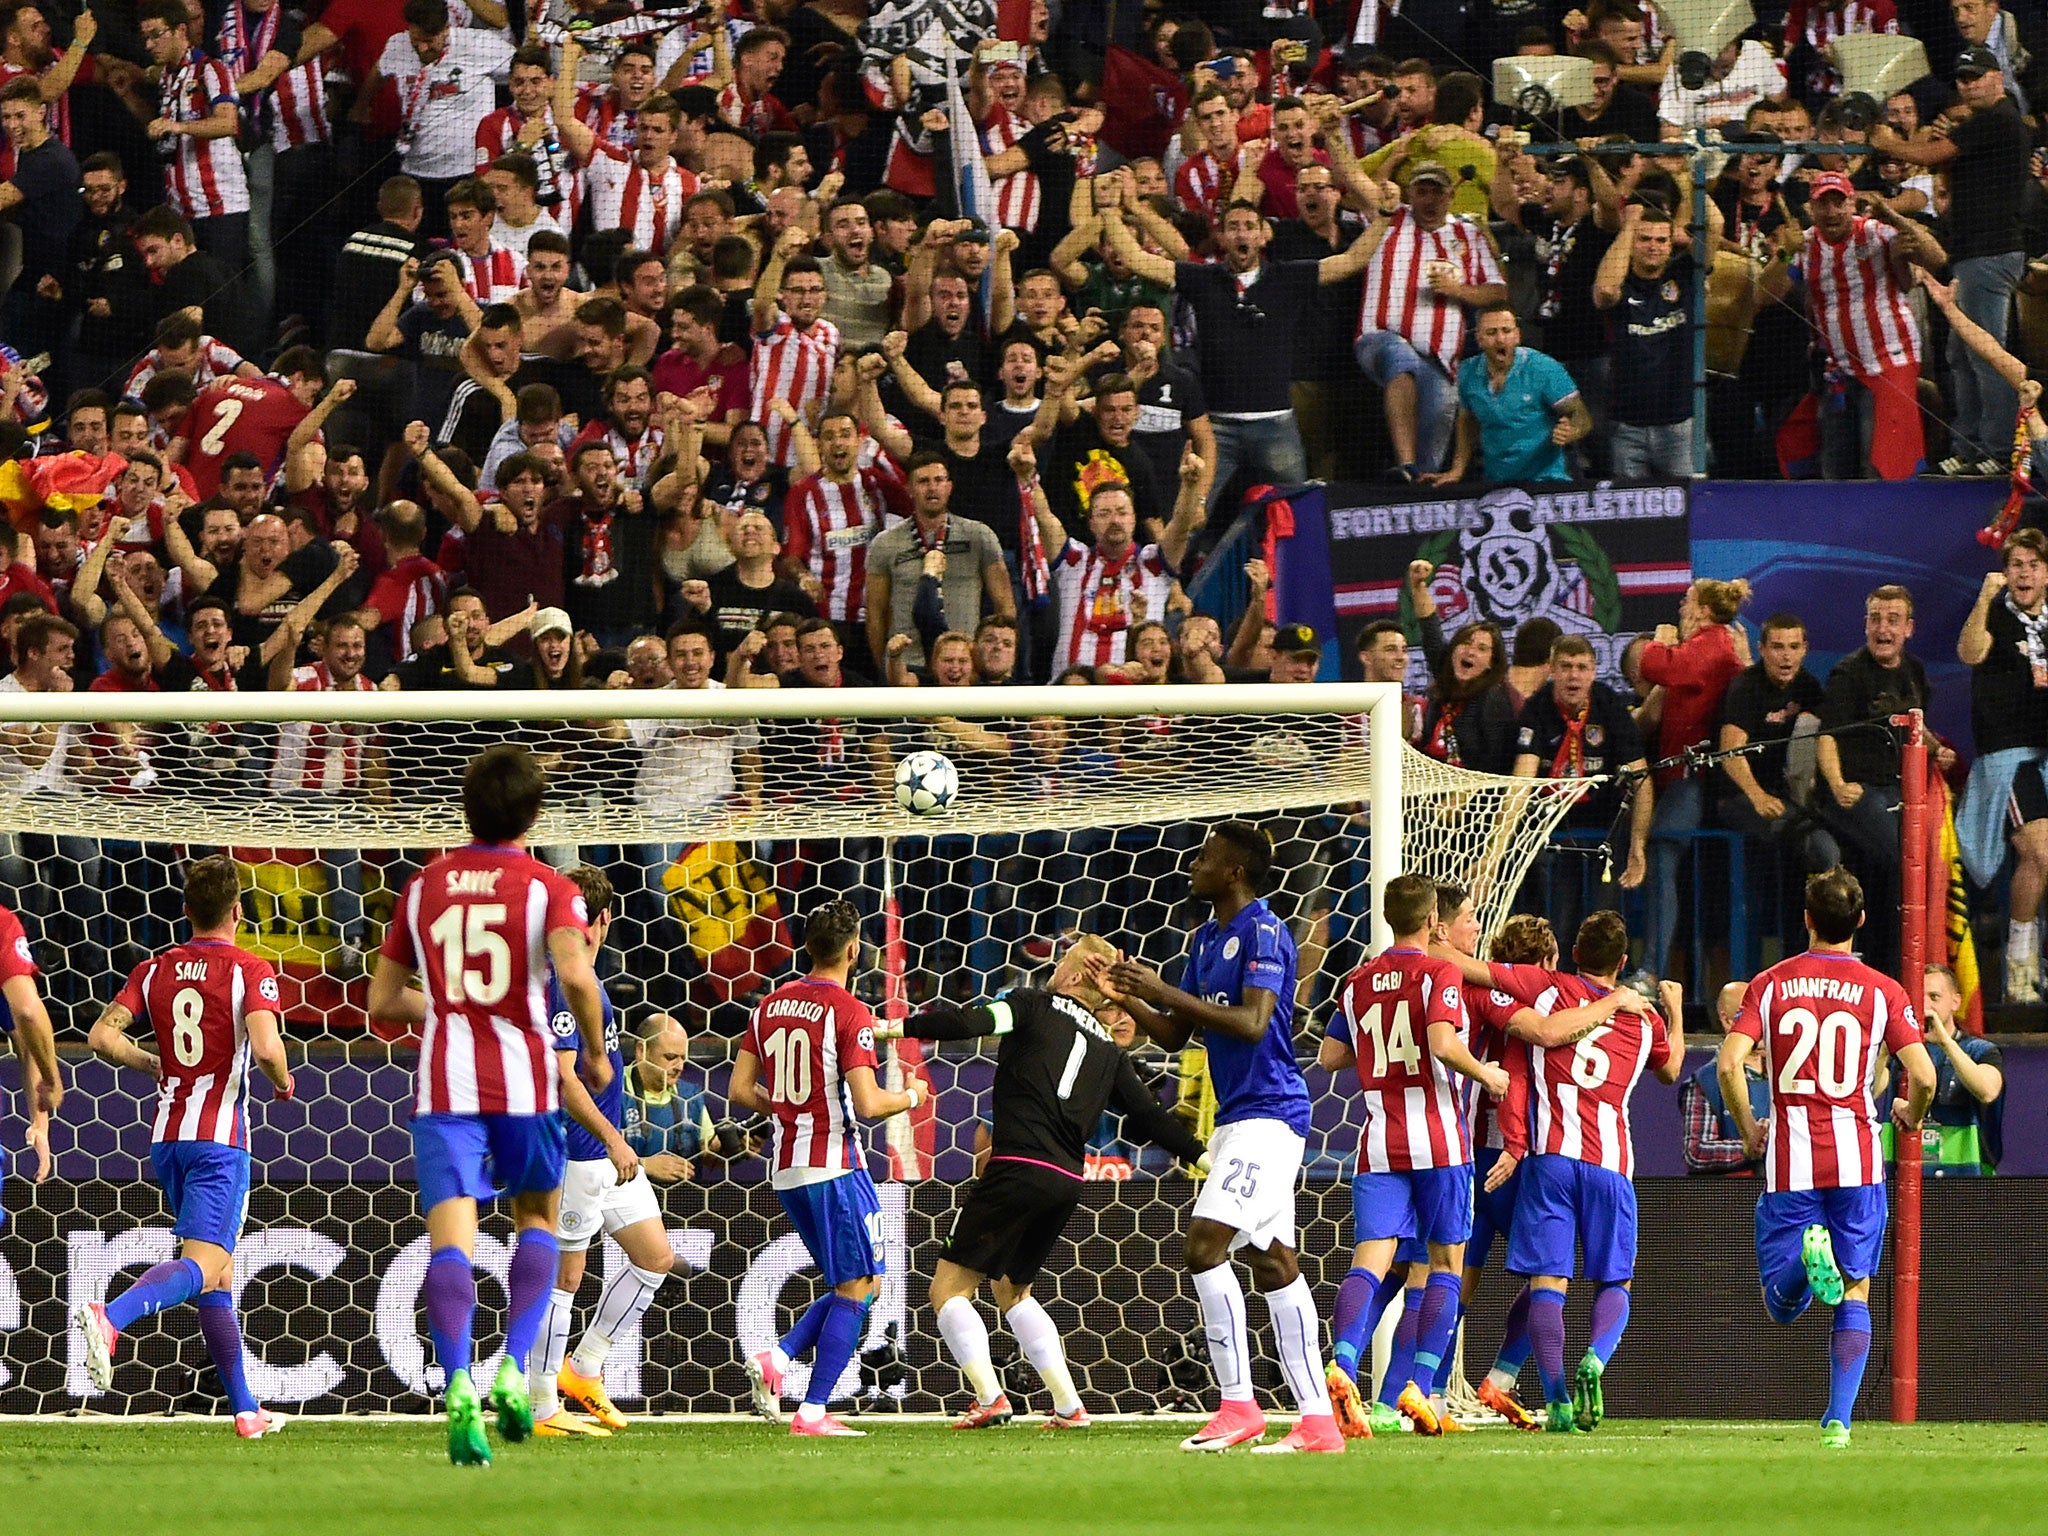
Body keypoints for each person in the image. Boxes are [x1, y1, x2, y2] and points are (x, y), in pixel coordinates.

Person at [365, 744, 612, 1466]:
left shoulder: (423, 887)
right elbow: (575, 974)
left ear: (464, 809)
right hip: (526, 1081)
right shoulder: (549, 888)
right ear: (533, 814)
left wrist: (446, 1005)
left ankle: (458, 1386)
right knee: (536, 1218)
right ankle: (512, 1364)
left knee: (452, 1241)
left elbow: (381, 1001)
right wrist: (594, 1052)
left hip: (445, 1085)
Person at [886, 934, 1206, 1428]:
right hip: (1065, 1180)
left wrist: (895, 1028)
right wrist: (1202, 1158)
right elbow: (1150, 1117)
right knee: (1013, 1291)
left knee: (948, 1289)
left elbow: (973, 1021)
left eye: (1061, 963)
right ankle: (1068, 1406)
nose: (1054, 969)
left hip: (1017, 1165)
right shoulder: (1108, 1048)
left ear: (1075, 975)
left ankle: (990, 1398)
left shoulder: (1030, 1004)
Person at [1106, 823, 1343, 1455]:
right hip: (1239, 1118)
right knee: (1272, 1262)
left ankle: (1238, 1405)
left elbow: (1252, 1021)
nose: (1194, 863)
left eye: (1206, 857)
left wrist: (1163, 988)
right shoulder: (1206, 939)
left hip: (1272, 1116)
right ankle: (1318, 1420)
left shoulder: (1263, 931)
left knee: (1204, 1245)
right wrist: (1133, 997)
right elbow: (1177, 1035)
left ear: (1234, 872)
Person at [74, 855, 292, 1438]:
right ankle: (111, 1315)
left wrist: (154, 1064)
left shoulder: (155, 969)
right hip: (221, 1141)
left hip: (167, 1138)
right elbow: (268, 1048)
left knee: (218, 1279)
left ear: (187, 911)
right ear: (238, 912)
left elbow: (101, 1036)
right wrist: (283, 1080)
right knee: (206, 1264)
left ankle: (246, 1409)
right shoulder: (251, 969)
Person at [1719, 867, 1935, 1448]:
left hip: (1790, 1155)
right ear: (1860, 921)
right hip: (1858, 1157)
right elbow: (1924, 1075)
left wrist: (1747, 1129)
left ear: (1807, 919)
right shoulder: (1884, 990)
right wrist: (1910, 1118)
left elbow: (1727, 1062)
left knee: (1781, 1306)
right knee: (1856, 1287)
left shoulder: (1769, 983)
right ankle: (1838, 1420)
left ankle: (1806, 1268)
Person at [1317, 875, 1508, 1440]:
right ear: (1432, 923)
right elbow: (1445, 1044)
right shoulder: (1439, 972)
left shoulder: (1356, 982)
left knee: (1370, 1262)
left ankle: (1342, 1365)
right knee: (1446, 1265)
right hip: (1440, 1144)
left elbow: (1330, 1058)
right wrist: (1488, 1073)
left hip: (1378, 1143)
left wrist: (1379, 1047)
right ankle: (1421, 1389)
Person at [731, 900, 928, 1437]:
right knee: (858, 1285)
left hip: (787, 1166)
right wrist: (911, 1094)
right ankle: (813, 1411)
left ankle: (780, 1358)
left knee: (866, 1282)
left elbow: (740, 1090)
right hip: (835, 1164)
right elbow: (867, 1105)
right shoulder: (848, 1011)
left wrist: (790, 1109)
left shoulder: (767, 1005)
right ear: (853, 949)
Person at [1487, 911, 1685, 1434]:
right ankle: (1595, 1359)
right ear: (1622, 963)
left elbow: (1488, 977)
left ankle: (1555, 1400)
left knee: (1547, 1281)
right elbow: (1669, 1071)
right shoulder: (1645, 1020)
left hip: (1550, 1160)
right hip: (1611, 1166)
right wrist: (1678, 1011)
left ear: (1574, 954)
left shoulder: (1547, 991)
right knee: (1614, 1279)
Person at [528, 866, 666, 1439]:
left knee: (653, 1256)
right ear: (604, 920)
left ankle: (583, 1369)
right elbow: (563, 1078)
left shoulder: (584, 978)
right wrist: (613, 1137)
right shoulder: (564, 981)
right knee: (565, 1279)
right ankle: (541, 1409)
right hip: (577, 1152)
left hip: (606, 1155)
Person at [1869, 45, 2030, 474]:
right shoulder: (1982, 124)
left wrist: (1888, 142)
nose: (1969, 84)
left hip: (1990, 254)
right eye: (1962, 79)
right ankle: (1971, 444)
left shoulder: (1998, 119)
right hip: (1972, 254)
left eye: (1977, 76)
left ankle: (1998, 450)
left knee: (1986, 354)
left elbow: (1927, 156)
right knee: (1961, 354)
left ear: (1997, 77)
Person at [1636, 578, 1751, 981]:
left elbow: (1656, 666)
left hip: (1696, 776)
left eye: (1686, 601)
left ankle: (1650, 971)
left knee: (1663, 850)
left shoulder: (1712, 643)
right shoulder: (1712, 644)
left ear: (1702, 609)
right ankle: (1658, 970)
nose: (1681, 608)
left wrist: (1659, 640)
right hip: (1680, 774)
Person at [1817, 585, 1934, 979]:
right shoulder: (1848, 674)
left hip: (1903, 791)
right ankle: (1890, 972)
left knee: (1927, 857)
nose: (1883, 629)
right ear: (1866, 624)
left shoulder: (1914, 671)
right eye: (1875, 619)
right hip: (1855, 792)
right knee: (1902, 859)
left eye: (1892, 620)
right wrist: (1836, 784)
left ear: (1909, 629)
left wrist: (1938, 750)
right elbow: (1826, 736)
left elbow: (1915, 724)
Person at [1511, 634, 1653, 944]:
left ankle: (1599, 984)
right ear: (1552, 671)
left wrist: (1638, 843)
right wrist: (1495, 853)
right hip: (1554, 830)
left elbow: (1640, 776)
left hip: (1604, 828)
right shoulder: (1536, 709)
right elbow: (1521, 784)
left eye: (1581, 667)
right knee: (1556, 922)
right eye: (1565, 667)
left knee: (1602, 924)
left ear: (1593, 672)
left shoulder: (1609, 705)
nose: (1573, 675)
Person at [1801, 174, 1945, 480]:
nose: (1831, 212)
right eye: (1822, 204)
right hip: (1836, 368)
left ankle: (1891, 524)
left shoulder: (1876, 231)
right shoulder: (1803, 243)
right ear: (1811, 208)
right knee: (1835, 464)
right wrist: (1783, 253)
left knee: (1881, 462)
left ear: (1852, 203)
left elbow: (1937, 258)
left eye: (1838, 202)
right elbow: (1763, 293)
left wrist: (1893, 215)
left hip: (1887, 361)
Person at [1957, 531, 2048, 1003]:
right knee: (2041, 853)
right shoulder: (1994, 613)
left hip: (2046, 755)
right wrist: (1983, 597)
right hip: (2009, 760)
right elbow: (1970, 653)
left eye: (2033, 564)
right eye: (2016, 564)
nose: (2024, 572)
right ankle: (2018, 968)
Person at [1716, 611, 1839, 883]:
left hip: (1776, 792)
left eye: (1794, 647)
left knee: (1830, 835)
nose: (1786, 656)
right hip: (1736, 796)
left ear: (1805, 649)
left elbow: (1833, 726)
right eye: (1778, 647)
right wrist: (1757, 796)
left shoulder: (1805, 684)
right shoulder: (1746, 687)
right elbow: (1729, 752)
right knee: (1818, 845)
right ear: (1762, 649)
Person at [1428, 304, 1590, 485]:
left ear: (1517, 335)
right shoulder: (1467, 372)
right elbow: (1467, 420)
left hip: (1548, 479)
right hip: (1497, 481)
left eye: (1506, 331)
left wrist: (1572, 431)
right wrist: (1457, 469)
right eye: (1491, 333)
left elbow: (1581, 416)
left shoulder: (1545, 368)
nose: (1500, 339)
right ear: (1479, 339)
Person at [1593, 202, 1695, 478]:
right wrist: (1629, 225)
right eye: (1644, 239)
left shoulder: (1684, 274)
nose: (1653, 246)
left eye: (1661, 240)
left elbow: (1715, 228)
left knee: (1686, 509)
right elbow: (1604, 291)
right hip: (1626, 426)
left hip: (1678, 424)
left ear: (1671, 243)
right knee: (1630, 515)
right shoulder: (1619, 280)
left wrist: (1689, 170)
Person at [1681, 980, 1770, 1174]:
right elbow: (1696, 1151)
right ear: (1727, 1020)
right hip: (1729, 1197)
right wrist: (1752, 1145)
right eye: (1752, 1017)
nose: (1762, 1025)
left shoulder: (1786, 1075)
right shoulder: (1706, 1082)